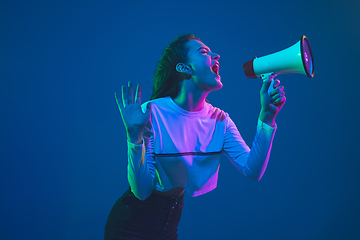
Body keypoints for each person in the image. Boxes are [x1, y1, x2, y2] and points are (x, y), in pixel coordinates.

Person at [104, 34, 286, 240]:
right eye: (205, 52)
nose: (217, 56)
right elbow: (141, 192)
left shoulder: (220, 120)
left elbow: (253, 170)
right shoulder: (152, 113)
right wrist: (134, 138)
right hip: (131, 224)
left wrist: (267, 119)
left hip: (170, 222)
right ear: (184, 68)